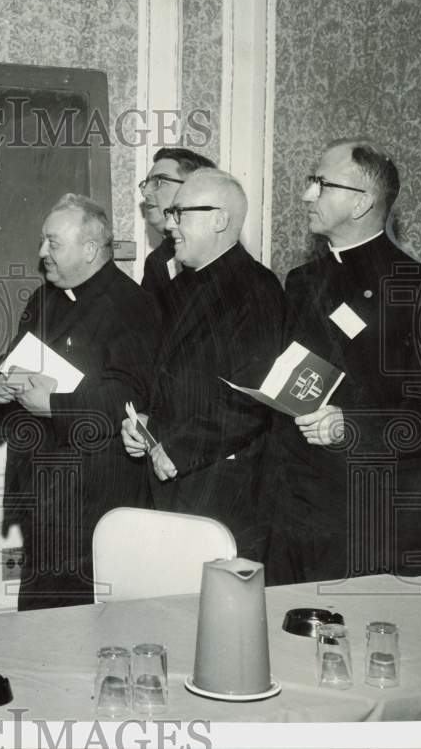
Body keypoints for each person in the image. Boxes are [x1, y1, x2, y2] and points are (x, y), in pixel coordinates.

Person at [263, 140, 421, 584]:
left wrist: (352, 425)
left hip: (369, 520)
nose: (307, 195)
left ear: (363, 201)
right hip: (292, 512)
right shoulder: (301, 282)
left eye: (322, 184)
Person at [0, 193, 158, 611]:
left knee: (88, 622)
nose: (41, 253)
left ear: (89, 250)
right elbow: (13, 359)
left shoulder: (131, 305)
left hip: (93, 498)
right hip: (41, 491)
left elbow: (128, 397)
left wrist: (54, 405)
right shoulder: (43, 298)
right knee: (39, 619)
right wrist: (3, 384)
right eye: (43, 242)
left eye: (53, 243)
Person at [122, 169, 285, 560]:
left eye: (181, 213)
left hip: (219, 491)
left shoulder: (258, 290)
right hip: (172, 481)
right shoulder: (181, 286)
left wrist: (177, 448)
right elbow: (166, 376)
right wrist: (144, 419)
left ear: (219, 219)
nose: (170, 224)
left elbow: (253, 399)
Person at [139, 147, 216, 324]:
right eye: (146, 184)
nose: (145, 193)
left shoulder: (219, 253)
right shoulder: (157, 261)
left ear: (194, 188)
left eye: (158, 182)